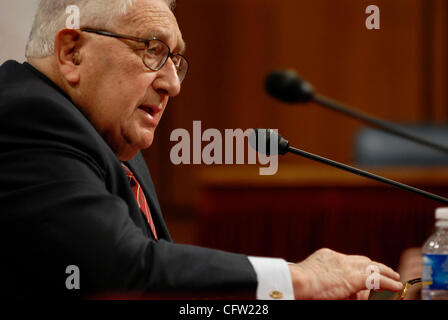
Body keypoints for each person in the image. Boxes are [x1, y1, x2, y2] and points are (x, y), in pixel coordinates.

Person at [0, 0, 403, 300]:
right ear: (72, 52)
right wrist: (300, 280)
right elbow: (122, 269)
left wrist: (284, 298)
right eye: (152, 50)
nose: (173, 84)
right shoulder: (27, 117)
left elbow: (169, 290)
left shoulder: (109, 138)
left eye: (175, 59)